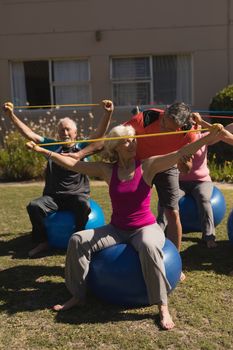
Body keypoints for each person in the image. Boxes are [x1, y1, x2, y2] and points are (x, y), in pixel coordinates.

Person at [26, 122, 222, 330]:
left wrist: (209, 138)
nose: (132, 144)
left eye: (133, 140)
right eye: (126, 141)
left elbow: (180, 153)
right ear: (116, 147)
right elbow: (73, 164)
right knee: (77, 240)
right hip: (117, 229)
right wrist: (43, 151)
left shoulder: (148, 165)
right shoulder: (107, 170)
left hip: (145, 227)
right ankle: (78, 295)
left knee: (149, 246)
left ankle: (162, 305)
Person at [2, 100, 114, 257]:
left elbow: (99, 134)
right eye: (61, 131)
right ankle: (42, 241)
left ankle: (78, 239)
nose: (65, 133)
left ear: (75, 133)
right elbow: (30, 134)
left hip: (76, 196)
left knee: (83, 204)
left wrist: (108, 113)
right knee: (34, 206)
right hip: (53, 198)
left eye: (68, 130)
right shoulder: (53, 145)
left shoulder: (82, 147)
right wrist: (11, 115)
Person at [125, 102, 196, 255]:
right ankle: (129, 248)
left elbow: (186, 169)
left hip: (167, 167)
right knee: (131, 209)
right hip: (141, 165)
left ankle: (175, 258)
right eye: (164, 123)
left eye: (170, 129)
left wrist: (181, 161)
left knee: (172, 212)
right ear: (165, 112)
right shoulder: (145, 118)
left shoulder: (189, 133)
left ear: (181, 125)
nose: (164, 128)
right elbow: (119, 137)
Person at [178, 113, 233, 248]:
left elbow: (221, 133)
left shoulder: (204, 137)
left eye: (194, 125)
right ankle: (162, 231)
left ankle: (209, 236)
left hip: (201, 181)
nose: (192, 127)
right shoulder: (178, 140)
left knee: (204, 198)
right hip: (180, 182)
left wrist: (202, 122)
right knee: (168, 201)